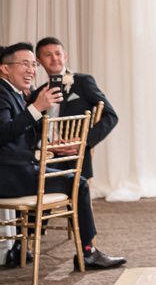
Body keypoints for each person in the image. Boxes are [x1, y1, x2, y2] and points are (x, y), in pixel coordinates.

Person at [0, 43, 126, 270]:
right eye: (25, 64)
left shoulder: (18, 92)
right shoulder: (10, 93)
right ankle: (87, 252)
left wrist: (79, 142)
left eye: (33, 65)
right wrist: (36, 108)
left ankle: (23, 247)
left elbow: (110, 115)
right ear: (5, 68)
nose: (31, 69)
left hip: (36, 163)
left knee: (70, 180)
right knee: (77, 184)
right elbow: (4, 133)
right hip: (12, 174)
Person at [33, 37, 118, 180]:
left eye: (58, 53)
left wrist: (83, 141)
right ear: (39, 61)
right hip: (42, 156)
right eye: (47, 55)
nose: (54, 58)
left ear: (65, 57)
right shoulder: (38, 94)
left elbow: (111, 116)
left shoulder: (82, 82)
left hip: (73, 156)